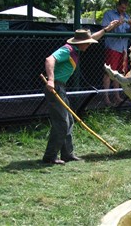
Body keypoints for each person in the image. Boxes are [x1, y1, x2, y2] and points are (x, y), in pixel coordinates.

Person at [42, 21, 119, 165]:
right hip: (55, 87)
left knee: (69, 121)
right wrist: (51, 80)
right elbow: (49, 59)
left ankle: (67, 154)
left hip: (61, 87)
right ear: (81, 42)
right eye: (88, 42)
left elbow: (93, 37)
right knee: (61, 123)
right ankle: (49, 156)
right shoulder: (67, 50)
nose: (90, 44)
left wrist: (107, 29)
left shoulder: (76, 49)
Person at [102, 0, 131, 105]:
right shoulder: (109, 14)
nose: (124, 10)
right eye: (122, 7)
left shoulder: (127, 16)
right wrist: (117, 24)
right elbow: (105, 29)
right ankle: (106, 98)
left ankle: (117, 96)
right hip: (113, 48)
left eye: (125, 8)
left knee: (119, 74)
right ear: (118, 5)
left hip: (123, 49)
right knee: (108, 73)